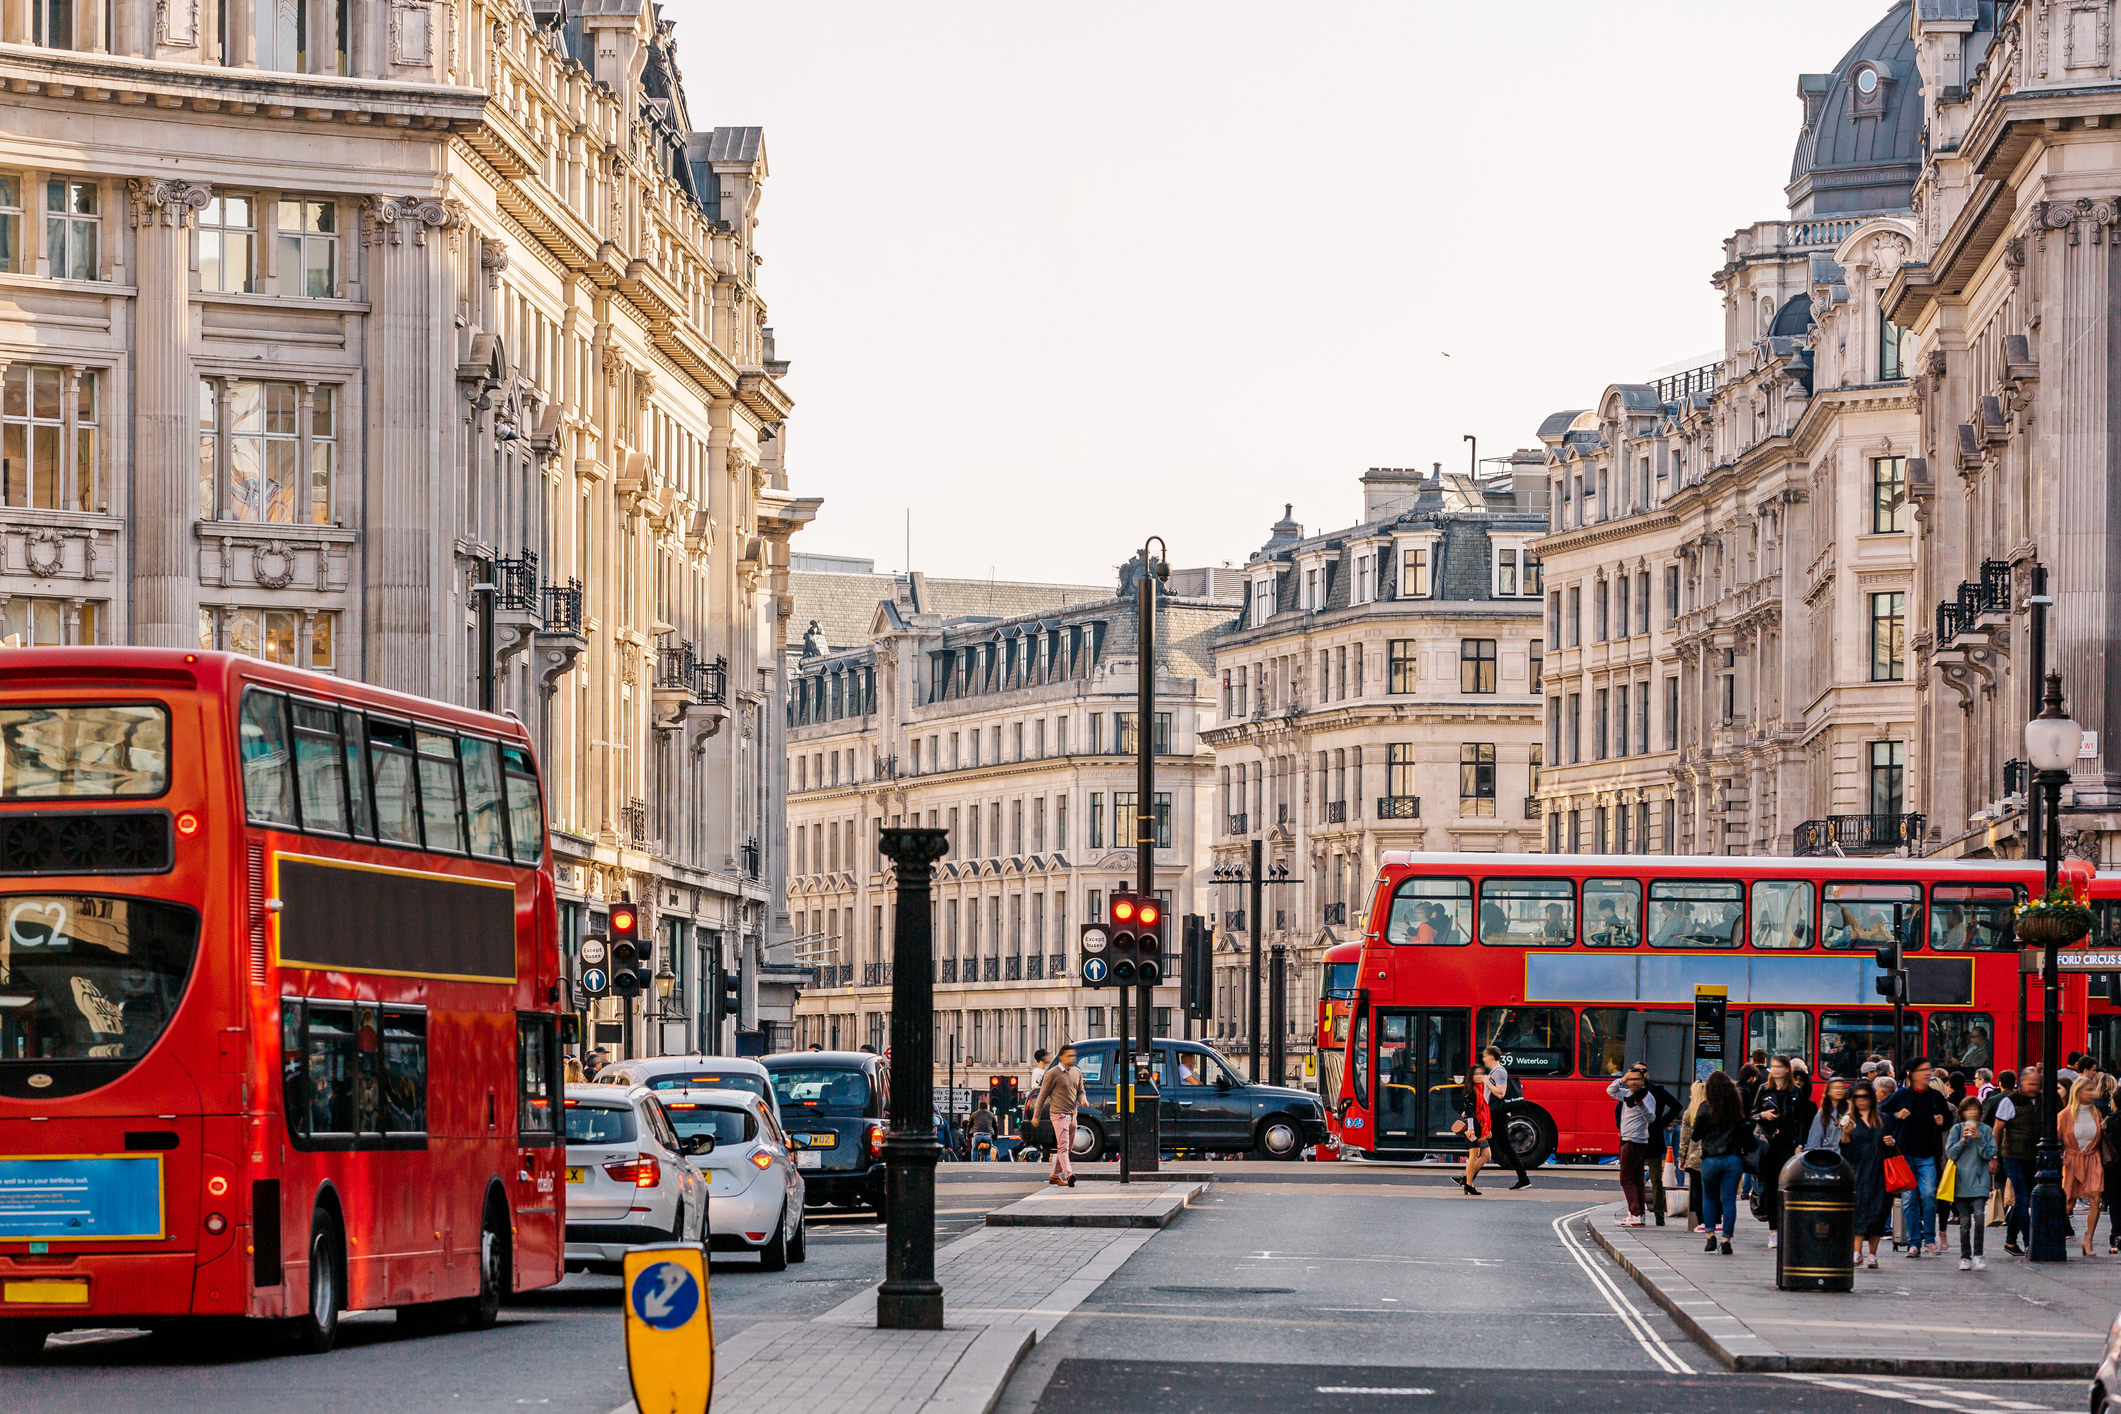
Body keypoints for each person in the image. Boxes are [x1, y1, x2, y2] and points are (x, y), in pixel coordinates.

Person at [1887, 1056, 1953, 1257]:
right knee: (1908, 1200)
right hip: (1905, 1154)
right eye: (1923, 1070)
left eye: (1929, 1069)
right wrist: (1896, 1115)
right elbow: (1883, 1113)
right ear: (1911, 1073)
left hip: (1927, 1154)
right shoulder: (1901, 1095)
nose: (1927, 1073)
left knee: (1929, 1195)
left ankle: (1930, 1239)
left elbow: (1949, 1119)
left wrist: (1943, 1121)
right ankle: (1914, 1243)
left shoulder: (1936, 1097)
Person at [1750, 1055, 1815, 1249]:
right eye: (1773, 1066)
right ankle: (1773, 1231)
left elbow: (1802, 1121)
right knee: (1769, 1188)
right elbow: (1752, 1114)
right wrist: (1762, 1115)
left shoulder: (1795, 1092)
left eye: (1779, 1066)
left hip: (1788, 1144)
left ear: (1787, 1069)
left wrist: (1800, 1144)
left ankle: (1788, 1228)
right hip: (1768, 1144)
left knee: (1787, 1187)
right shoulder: (1764, 1090)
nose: (1776, 1070)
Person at [1690, 1070, 1748, 1254]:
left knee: (1709, 1197)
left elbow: (1695, 1135)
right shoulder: (1736, 1109)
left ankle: (1710, 1236)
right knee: (1729, 1200)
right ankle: (1727, 1240)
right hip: (1733, 1158)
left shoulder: (1705, 1108)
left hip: (1710, 1159)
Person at [1993, 1065, 2043, 1255]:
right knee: (2022, 1199)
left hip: (2034, 1156)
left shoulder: (2042, 1100)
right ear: (2021, 1082)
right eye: (2030, 1084)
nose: (2033, 1088)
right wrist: (1994, 1156)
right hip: (2013, 1156)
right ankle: (2029, 1242)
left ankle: (2010, 1242)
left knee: (2023, 1200)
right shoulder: (2009, 1101)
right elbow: (1997, 1130)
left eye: (2036, 1084)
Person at [1944, 1094, 1997, 1270]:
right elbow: (1950, 1154)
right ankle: (1965, 1256)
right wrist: (1964, 1140)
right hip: (1960, 1181)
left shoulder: (1986, 1130)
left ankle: (1979, 1254)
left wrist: (1979, 1138)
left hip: (1980, 1180)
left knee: (1980, 1216)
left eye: (1975, 1109)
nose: (1972, 1113)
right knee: (1965, 1222)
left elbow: (1989, 1154)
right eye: (1968, 1110)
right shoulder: (1957, 1129)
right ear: (1963, 1112)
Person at [1843, 1080, 1892, 1267]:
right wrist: (1845, 1136)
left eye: (1864, 1097)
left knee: (1879, 1211)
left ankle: (1873, 1254)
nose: (1861, 1100)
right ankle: (1857, 1252)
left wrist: (1891, 1143)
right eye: (1857, 1097)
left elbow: (1892, 1148)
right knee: (1860, 1210)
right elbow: (1847, 1153)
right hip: (1859, 1171)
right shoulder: (1849, 1120)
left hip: (1880, 1171)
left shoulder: (1883, 1119)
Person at [2061, 1073, 2107, 1257]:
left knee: (2096, 1197)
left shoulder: (2097, 1113)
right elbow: (2055, 1139)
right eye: (2088, 1089)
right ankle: (2056, 1234)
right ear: (2078, 1092)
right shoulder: (2065, 1115)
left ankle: (2088, 1239)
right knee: (2068, 1202)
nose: (2093, 1093)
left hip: (2093, 1158)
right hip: (2072, 1160)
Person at [1608, 1063, 1657, 1225]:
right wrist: (1622, 1079)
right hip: (1631, 1139)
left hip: (1634, 1140)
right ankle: (1639, 1214)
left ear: (1642, 1081)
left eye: (1635, 1079)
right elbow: (1610, 1090)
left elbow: (1651, 1118)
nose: (1632, 1082)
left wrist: (1641, 1105)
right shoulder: (1627, 1094)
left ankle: (1635, 1213)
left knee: (1626, 1178)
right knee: (1637, 1178)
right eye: (1630, 1079)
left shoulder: (1647, 1097)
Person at [1479, 1045, 1533, 1189]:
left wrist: (1487, 1082)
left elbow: (1501, 1093)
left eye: (1484, 1056)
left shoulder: (1499, 1072)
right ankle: (1524, 1179)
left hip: (1498, 1114)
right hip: (1497, 1114)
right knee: (1507, 1149)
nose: (1483, 1059)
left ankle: (1467, 1179)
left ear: (1491, 1057)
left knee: (1482, 1145)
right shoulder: (1495, 1072)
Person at [1031, 1044, 1082, 1188]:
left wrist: (1083, 1099)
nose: (1072, 1058)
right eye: (1069, 1056)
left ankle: (1054, 1176)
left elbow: (1080, 1091)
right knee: (1063, 1146)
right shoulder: (1052, 1074)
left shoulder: (1077, 1072)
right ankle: (1069, 1174)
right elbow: (1042, 1096)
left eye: (1073, 1056)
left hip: (1073, 1114)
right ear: (1061, 1057)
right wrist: (1036, 1115)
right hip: (1058, 1114)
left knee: (1067, 1147)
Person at [1451, 1061, 1493, 1196]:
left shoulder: (1481, 1088)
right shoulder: (1471, 1090)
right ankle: (1469, 1184)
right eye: (1476, 1074)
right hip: (1473, 1126)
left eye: (1481, 1074)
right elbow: (1469, 1111)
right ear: (1471, 1076)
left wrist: (1487, 1128)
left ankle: (1465, 1180)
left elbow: (1484, 1110)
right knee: (1474, 1155)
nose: (1479, 1076)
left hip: (1481, 1125)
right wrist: (1470, 1129)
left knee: (1486, 1154)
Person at [1677, 1081, 1708, 1233]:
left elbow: (1684, 1139)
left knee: (1697, 1191)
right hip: (1709, 1156)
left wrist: (1681, 1160)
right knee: (1711, 1190)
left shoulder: (1689, 1113)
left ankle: (1701, 1222)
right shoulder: (1711, 1110)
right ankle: (1715, 1220)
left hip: (1693, 1159)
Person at [1808, 1075, 1853, 1153]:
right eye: (1835, 1088)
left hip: (1847, 1154)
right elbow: (1814, 1138)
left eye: (1842, 1088)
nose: (1839, 1091)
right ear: (1828, 1092)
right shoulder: (1823, 1112)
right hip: (1828, 1154)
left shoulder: (1851, 1110)